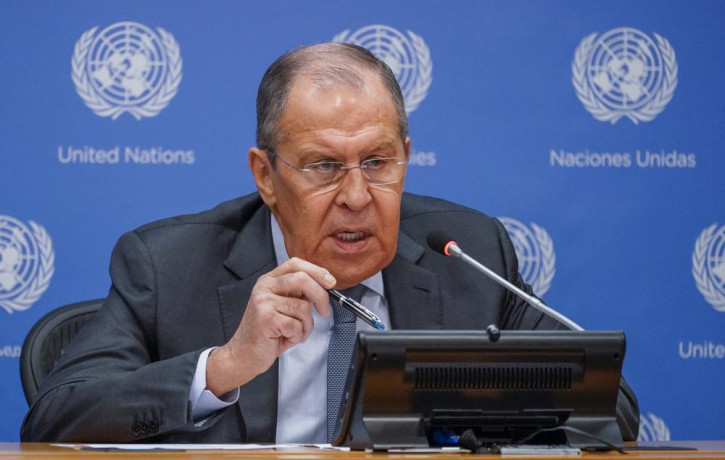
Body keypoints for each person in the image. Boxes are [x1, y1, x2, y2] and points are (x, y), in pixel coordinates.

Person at [21, 43, 639, 443]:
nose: (356, 195)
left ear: (407, 158)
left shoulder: (467, 252)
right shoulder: (168, 264)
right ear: (265, 175)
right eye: (322, 166)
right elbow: (55, 418)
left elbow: (611, 415)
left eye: (378, 162)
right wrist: (227, 364)